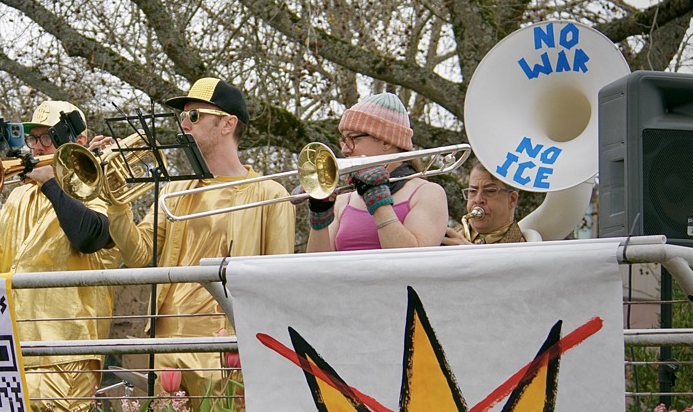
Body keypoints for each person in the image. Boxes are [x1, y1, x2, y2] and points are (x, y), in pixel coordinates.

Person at [106, 78, 294, 402]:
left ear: (227, 124)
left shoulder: (270, 195)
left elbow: (278, 290)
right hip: (166, 345)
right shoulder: (174, 190)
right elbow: (139, 256)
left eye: (194, 116)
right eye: (182, 116)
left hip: (228, 350)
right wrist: (116, 204)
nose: (183, 124)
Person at [0, 100, 117, 411]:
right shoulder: (19, 194)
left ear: (78, 141)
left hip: (67, 351)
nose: (36, 147)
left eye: (46, 138)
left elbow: (90, 236)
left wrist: (52, 183)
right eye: (33, 138)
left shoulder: (96, 183)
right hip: (8, 351)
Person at [305, 92, 449, 252]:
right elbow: (317, 268)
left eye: (352, 139)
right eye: (343, 140)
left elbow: (412, 262)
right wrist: (319, 215)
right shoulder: (343, 201)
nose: (344, 150)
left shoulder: (428, 193)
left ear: (386, 141)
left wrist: (378, 201)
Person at [442, 163, 529, 245]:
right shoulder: (449, 237)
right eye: (472, 191)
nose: (478, 199)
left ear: (512, 199)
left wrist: (469, 251)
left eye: (490, 191)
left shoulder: (524, 248)